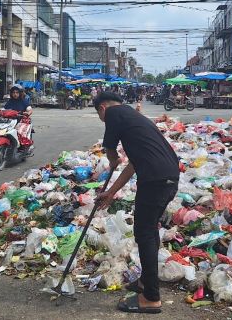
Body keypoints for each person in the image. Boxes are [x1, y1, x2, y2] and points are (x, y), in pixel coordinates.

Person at [93, 92, 179, 314]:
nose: (104, 120)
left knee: (145, 233)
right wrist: (111, 192)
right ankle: (145, 282)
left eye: (100, 116)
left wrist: (112, 158)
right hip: (166, 177)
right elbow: (132, 164)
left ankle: (151, 298)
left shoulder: (113, 113)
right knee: (148, 231)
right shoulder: (131, 117)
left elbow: (111, 152)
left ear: (102, 108)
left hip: (156, 180)